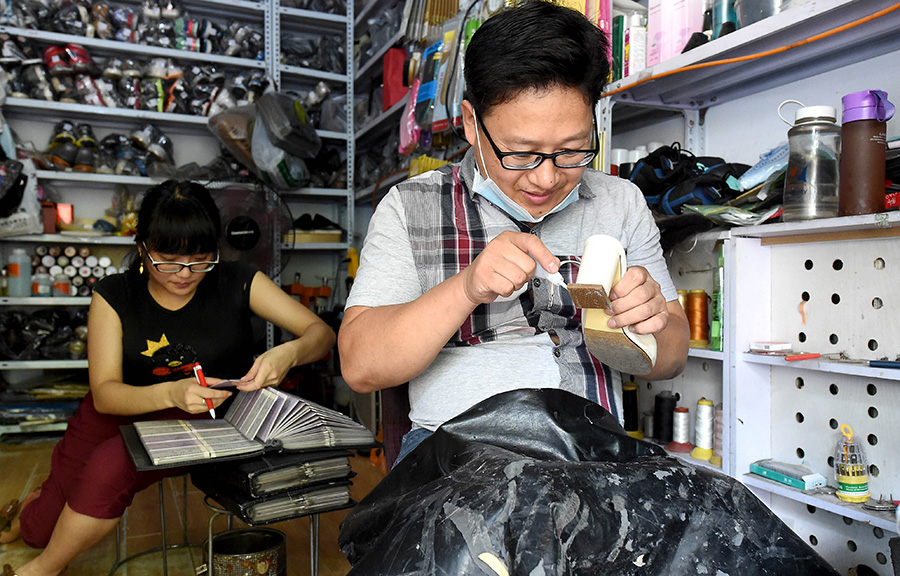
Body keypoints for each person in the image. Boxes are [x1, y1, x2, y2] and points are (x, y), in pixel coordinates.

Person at [338, 0, 689, 466]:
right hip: (456, 462)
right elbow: (361, 367)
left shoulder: (620, 202)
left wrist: (647, 323)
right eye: (521, 153)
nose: (545, 179)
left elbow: (672, 358)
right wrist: (467, 288)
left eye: (572, 151)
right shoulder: (411, 207)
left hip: (591, 455)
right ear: (469, 123)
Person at [1, 180, 335, 576]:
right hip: (121, 407)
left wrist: (289, 352)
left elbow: (322, 335)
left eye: (199, 260)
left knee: (112, 466)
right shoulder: (115, 293)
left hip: (202, 414)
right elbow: (106, 396)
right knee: (39, 529)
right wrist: (173, 391)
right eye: (168, 261)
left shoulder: (238, 280)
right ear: (142, 246)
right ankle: (33, 510)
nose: (184, 275)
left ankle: (41, 570)